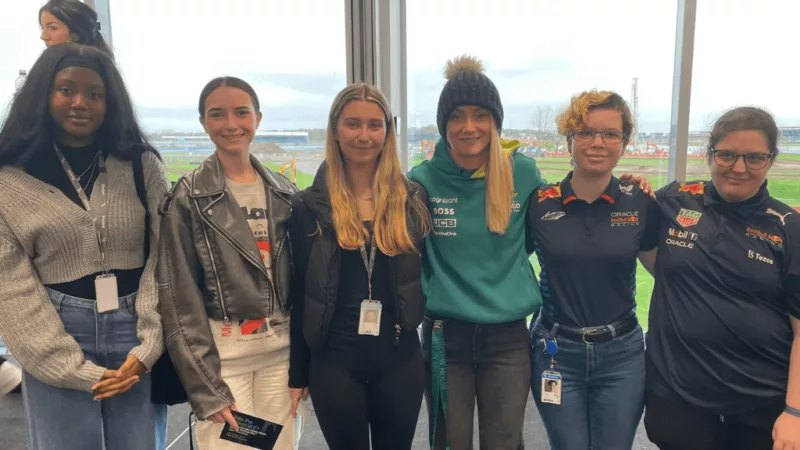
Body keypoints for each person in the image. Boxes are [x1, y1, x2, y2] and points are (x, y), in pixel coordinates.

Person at [0, 43, 168, 449]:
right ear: (43, 93)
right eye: (66, 90)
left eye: (95, 93)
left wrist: (150, 341)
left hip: (138, 326)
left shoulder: (142, 164)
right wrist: (63, 365)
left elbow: (165, 257)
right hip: (55, 328)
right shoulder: (8, 176)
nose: (81, 103)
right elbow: (9, 282)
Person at [408, 55, 545, 450]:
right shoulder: (422, 181)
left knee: (504, 442)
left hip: (507, 339)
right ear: (443, 125)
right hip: (443, 336)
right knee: (449, 443)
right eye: (457, 116)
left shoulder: (523, 173)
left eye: (481, 115)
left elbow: (548, 230)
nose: (469, 127)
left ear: (495, 122)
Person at [643, 106, 800, 450]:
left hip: (761, 407)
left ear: (771, 160)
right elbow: (641, 246)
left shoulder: (788, 227)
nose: (739, 168)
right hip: (679, 401)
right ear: (710, 154)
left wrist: (795, 411)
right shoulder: (673, 200)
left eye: (754, 157)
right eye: (727, 155)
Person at [158, 76, 301, 450]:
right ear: (204, 122)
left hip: (279, 359)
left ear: (258, 117)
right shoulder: (187, 197)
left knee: (281, 446)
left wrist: (303, 365)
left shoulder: (285, 192)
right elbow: (178, 300)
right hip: (225, 365)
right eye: (217, 114)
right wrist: (205, 386)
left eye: (241, 112)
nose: (231, 124)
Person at [288, 83, 430, 450]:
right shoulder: (309, 206)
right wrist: (297, 372)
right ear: (335, 130)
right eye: (353, 124)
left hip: (400, 360)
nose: (364, 136)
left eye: (374, 125)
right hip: (335, 364)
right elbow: (300, 296)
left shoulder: (411, 200)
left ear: (388, 131)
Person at [527, 90, 659, 449]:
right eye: (586, 132)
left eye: (610, 134)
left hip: (622, 356)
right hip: (555, 352)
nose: (597, 143)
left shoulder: (640, 202)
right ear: (569, 139)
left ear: (624, 142)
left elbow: (668, 272)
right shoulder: (539, 203)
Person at [39, 0, 112, 55]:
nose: (43, 36)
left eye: (53, 28)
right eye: (43, 28)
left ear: (76, 33)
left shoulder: (77, 68)